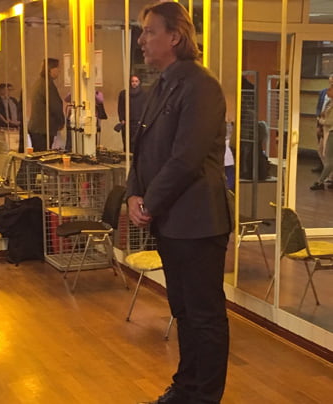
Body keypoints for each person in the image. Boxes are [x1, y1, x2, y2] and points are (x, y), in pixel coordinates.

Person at [126, 3, 232, 404]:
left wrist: (148, 203)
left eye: (149, 31)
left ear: (175, 36)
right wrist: (133, 194)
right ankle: (186, 388)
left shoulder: (200, 85)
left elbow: (185, 158)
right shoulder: (162, 84)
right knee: (184, 312)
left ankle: (204, 396)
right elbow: (141, 150)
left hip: (198, 222)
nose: (142, 39)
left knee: (204, 316)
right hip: (171, 222)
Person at [28, 58, 65, 151]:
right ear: (50, 69)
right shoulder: (47, 85)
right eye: (57, 67)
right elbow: (55, 106)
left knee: (39, 152)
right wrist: (61, 121)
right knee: (43, 154)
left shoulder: (40, 82)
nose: (59, 70)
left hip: (38, 127)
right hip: (43, 128)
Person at [310, 85, 333, 190]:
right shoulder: (330, 103)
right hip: (326, 131)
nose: (328, 91)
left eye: (330, 89)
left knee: (329, 158)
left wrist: (321, 121)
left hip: (331, 131)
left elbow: (329, 121)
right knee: (323, 152)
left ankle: (320, 181)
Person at [117, 75, 147, 152]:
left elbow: (145, 108)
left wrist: (143, 120)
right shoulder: (124, 94)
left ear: (139, 82)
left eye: (136, 81)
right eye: (132, 81)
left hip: (138, 123)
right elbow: (120, 107)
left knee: (137, 143)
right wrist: (122, 119)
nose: (134, 83)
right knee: (127, 143)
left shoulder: (144, 94)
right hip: (126, 122)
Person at [313, 74, 333, 173]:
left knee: (327, 150)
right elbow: (319, 107)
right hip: (323, 124)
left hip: (329, 126)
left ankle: (328, 173)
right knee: (321, 149)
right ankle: (326, 170)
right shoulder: (324, 92)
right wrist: (319, 121)